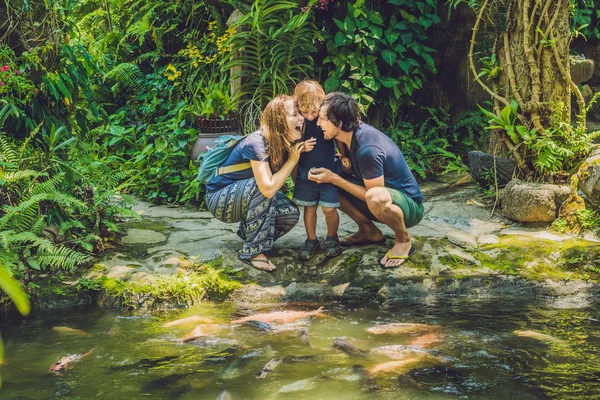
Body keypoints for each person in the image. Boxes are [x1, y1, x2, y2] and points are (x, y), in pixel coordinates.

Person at [308, 92, 424, 268]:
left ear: (339, 123)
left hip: (409, 206)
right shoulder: (346, 137)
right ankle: (368, 230)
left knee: (373, 196)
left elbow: (373, 195)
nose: (318, 123)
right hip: (383, 198)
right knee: (328, 181)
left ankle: (403, 239)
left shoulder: (368, 149)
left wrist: (336, 179)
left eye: (323, 119)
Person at [205, 95, 317, 271]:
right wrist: (292, 161)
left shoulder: (284, 144)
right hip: (219, 199)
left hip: (244, 197)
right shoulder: (257, 142)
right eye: (294, 114)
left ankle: (248, 233)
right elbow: (267, 188)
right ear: (279, 121)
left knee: (290, 213)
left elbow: (295, 183)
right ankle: (253, 252)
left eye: (299, 114)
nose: (301, 118)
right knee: (264, 188)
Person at [292, 80, 341, 260]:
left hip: (328, 171)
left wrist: (344, 156)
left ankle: (332, 237)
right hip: (306, 173)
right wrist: (301, 146)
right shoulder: (298, 121)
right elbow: (290, 143)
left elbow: (339, 137)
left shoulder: (327, 118)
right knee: (309, 208)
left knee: (329, 209)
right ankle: (311, 239)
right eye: (305, 112)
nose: (311, 116)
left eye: (314, 112)